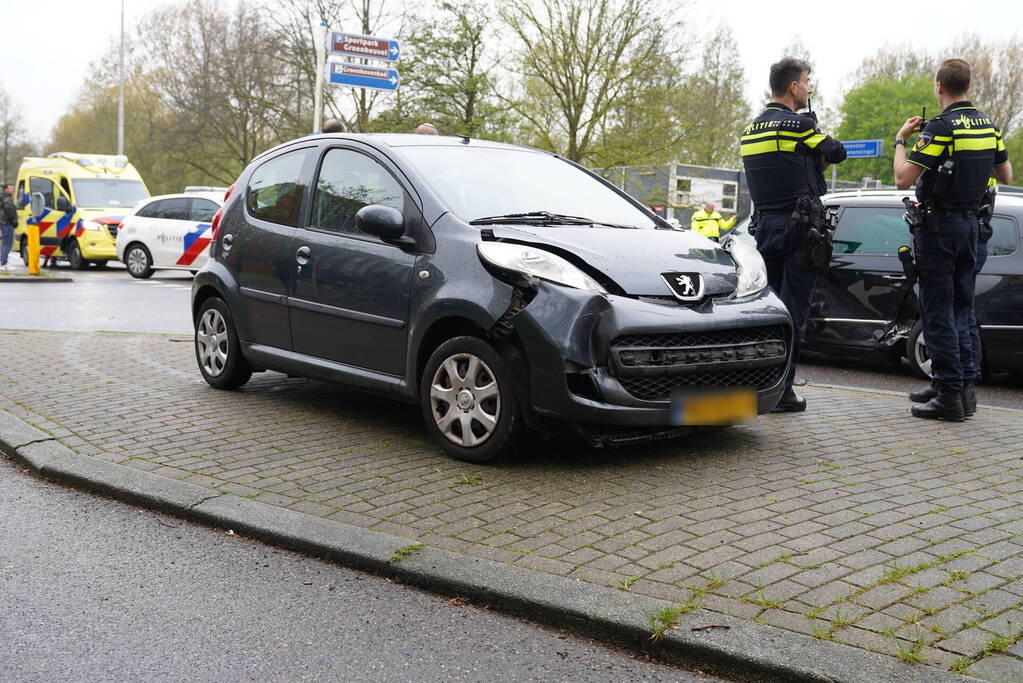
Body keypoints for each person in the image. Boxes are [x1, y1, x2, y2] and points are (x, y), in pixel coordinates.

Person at [894, 58, 1012, 421]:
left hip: (939, 231)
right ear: (969, 86)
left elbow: (902, 179)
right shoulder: (988, 126)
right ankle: (964, 390)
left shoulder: (941, 127)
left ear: (939, 86)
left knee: (938, 311)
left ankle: (948, 395)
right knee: (963, 309)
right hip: (972, 229)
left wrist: (901, 140)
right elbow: (1005, 174)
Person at [740, 58, 847, 412]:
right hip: (800, 230)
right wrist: (816, 148)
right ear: (794, 87)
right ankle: (783, 391)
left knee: (766, 309)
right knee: (793, 311)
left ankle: (758, 384)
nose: (810, 88)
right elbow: (838, 152)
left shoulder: (750, 129)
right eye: (807, 82)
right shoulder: (800, 126)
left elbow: (783, 167)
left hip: (764, 228)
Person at [0, 183, 17, 272]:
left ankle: (5, 262)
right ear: (5, 189)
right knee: (7, 244)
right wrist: (15, 222)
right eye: (10, 188)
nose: (12, 190)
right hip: (7, 223)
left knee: (6, 243)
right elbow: (10, 212)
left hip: (4, 223)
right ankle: (3, 264)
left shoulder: (3, 198)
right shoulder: (7, 199)